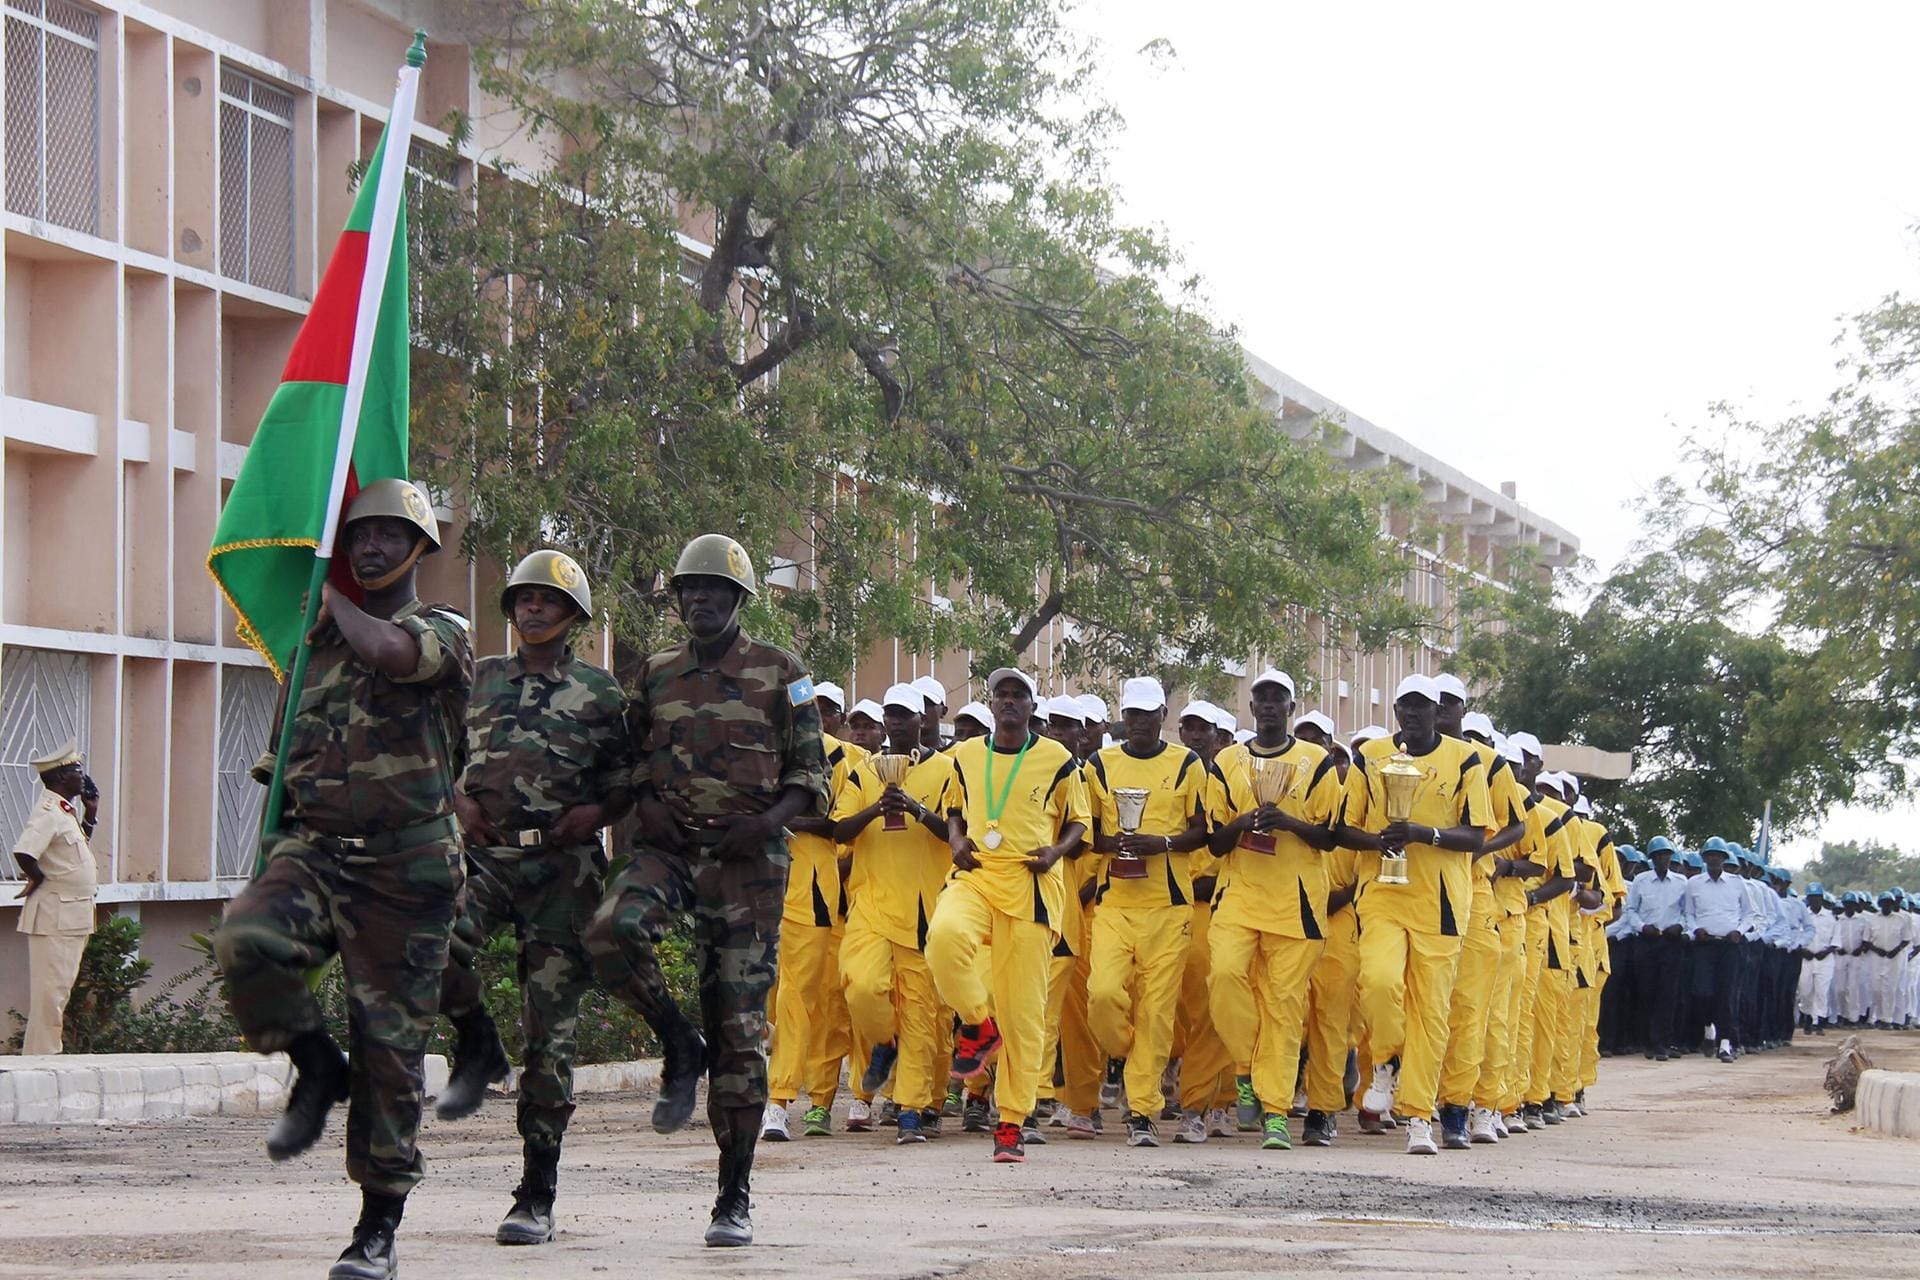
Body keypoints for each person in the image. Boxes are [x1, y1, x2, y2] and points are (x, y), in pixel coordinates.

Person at [214, 479, 473, 1280]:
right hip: (318, 851)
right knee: (245, 939)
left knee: (390, 1057)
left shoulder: (444, 628)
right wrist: (272, 852)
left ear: (420, 548)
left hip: (407, 865)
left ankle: (377, 1228)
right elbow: (279, 764)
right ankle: (315, 1063)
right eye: (360, 537)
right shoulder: (313, 649)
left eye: (390, 536)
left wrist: (335, 603)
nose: (370, 548)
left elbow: (399, 656)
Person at [585, 533, 830, 1248]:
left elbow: (809, 776)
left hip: (745, 866)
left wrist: (766, 826)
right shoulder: (655, 673)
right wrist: (642, 803)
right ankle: (674, 1039)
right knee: (608, 931)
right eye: (689, 590)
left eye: (714, 591)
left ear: (739, 599)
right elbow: (625, 758)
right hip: (665, 852)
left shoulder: (785, 671)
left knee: (741, 1032)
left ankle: (734, 1192)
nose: (700, 600)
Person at [435, 550, 634, 1246]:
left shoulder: (601, 692)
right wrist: (457, 800)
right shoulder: (478, 680)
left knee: (549, 1035)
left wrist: (598, 814)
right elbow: (436, 750)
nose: (532, 608)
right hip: (485, 859)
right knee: (432, 954)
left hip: (563, 873)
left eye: (548, 600)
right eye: (522, 598)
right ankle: (479, 1042)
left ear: (573, 615)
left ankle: (536, 1194)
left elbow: (628, 778)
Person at [925, 667, 1089, 1164]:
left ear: (1032, 708)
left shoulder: (1057, 758)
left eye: (1019, 695)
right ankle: (977, 1024)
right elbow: (954, 807)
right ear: (991, 704)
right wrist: (955, 839)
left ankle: (1012, 1122)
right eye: (1002, 695)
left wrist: (1055, 852)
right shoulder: (966, 754)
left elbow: (1080, 822)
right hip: (976, 874)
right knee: (944, 939)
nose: (1010, 702)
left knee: (1023, 1014)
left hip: (1031, 886)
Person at [1339, 674, 1491, 1156]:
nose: (1411, 714)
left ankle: (1419, 1117)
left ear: (1436, 710)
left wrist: (1424, 834)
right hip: (1382, 894)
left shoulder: (1465, 758)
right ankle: (1386, 1059)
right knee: (1380, 984)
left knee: (1431, 1014)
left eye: (1421, 706)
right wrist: (1380, 839)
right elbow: (1345, 827)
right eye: (1404, 706)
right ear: (1397, 710)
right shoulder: (1371, 757)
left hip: (1441, 903)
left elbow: (1477, 837)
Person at [1205, 669, 1341, 1151]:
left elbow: (1331, 836)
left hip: (1296, 904)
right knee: (1223, 979)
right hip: (1239, 896)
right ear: (1251, 707)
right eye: (1259, 697)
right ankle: (1246, 1069)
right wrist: (1244, 823)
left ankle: (1277, 1111)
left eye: (1276, 698)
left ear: (1291, 706)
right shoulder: (1226, 762)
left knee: (1283, 1008)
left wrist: (1290, 822)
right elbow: (1214, 842)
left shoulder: (1316, 761)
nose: (1267, 705)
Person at [1082, 677, 1210, 1148]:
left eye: (1147, 714)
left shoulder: (1186, 764)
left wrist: (1164, 844)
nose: (1139, 723)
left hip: (1168, 906)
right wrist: (1116, 843)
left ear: (1163, 716)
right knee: (1102, 994)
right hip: (1115, 901)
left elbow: (1203, 832)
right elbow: (1088, 830)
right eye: (1131, 715)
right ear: (1124, 717)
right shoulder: (1099, 763)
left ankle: (1142, 1110)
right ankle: (1121, 1054)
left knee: (1156, 1013)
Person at [834, 683, 958, 1144]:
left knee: (923, 1015)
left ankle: (911, 1109)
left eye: (906, 714)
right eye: (892, 714)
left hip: (926, 909)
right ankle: (884, 1042)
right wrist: (875, 809)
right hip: (870, 903)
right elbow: (839, 828)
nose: (898, 722)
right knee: (861, 988)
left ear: (923, 719)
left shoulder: (947, 769)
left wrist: (916, 809)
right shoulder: (862, 771)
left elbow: (954, 832)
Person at [764, 674, 864, 1142]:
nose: (814, 715)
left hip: (813, 893)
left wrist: (778, 820)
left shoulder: (844, 758)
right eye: (807, 706)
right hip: (759, 885)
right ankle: (752, 1093)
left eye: (823, 709)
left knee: (807, 998)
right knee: (764, 998)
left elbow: (839, 826)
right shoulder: (763, 746)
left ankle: (791, 1100)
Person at [12, 740, 100, 1055]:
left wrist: (91, 814)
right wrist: (38, 878)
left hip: (70, 916)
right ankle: (41, 1060)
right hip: (55, 916)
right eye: (77, 770)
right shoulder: (49, 810)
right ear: (61, 777)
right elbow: (24, 850)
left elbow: (69, 853)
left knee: (59, 992)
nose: (83, 776)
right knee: (51, 996)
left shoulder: (65, 811)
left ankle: (45, 1056)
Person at [1681, 839, 1755, 1062]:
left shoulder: (1736, 883)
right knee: (1702, 992)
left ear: (1724, 859)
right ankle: (1708, 1030)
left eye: (1718, 855)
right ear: (1704, 859)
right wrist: (1695, 930)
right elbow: (1688, 914)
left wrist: (1739, 931)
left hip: (1729, 945)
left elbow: (1749, 914)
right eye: (1710, 855)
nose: (1714, 859)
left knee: (1726, 994)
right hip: (1704, 945)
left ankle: (1725, 1044)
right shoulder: (1694, 883)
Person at [1625, 836, 1688, 1060]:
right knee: (1646, 991)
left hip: (1671, 942)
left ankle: (1662, 1041)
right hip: (1647, 941)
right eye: (1658, 855)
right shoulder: (1641, 881)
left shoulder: (1682, 883)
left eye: (1666, 855)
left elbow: (1688, 912)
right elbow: (1630, 910)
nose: (1663, 859)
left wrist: (1680, 926)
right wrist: (1642, 927)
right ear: (1652, 858)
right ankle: (1647, 1042)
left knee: (1668, 993)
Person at [1797, 883, 1838, 1033]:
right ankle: (1807, 1016)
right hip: (1806, 959)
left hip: (1824, 959)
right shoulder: (1803, 916)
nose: (1815, 901)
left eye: (1817, 898)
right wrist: (1803, 950)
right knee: (1805, 991)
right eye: (1812, 898)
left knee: (1821, 991)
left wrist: (1825, 952)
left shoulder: (1830, 917)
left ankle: (1819, 1021)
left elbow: (1835, 940)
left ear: (1822, 898)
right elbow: (1797, 937)